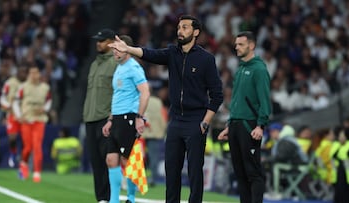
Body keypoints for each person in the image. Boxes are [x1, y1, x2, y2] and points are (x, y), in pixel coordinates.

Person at [109, 15, 223, 203]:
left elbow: (217, 95)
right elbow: (149, 53)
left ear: (196, 32)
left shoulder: (206, 59)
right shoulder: (172, 53)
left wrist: (205, 122)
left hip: (196, 121)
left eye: (185, 27)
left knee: (195, 171)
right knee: (172, 170)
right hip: (176, 120)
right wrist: (128, 48)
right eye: (179, 27)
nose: (180, 30)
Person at [218, 31, 271, 203]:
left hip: (250, 126)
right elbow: (237, 100)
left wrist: (260, 125)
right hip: (235, 125)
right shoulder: (241, 68)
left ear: (252, 45)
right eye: (236, 44)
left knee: (253, 173)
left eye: (241, 44)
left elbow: (265, 100)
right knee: (240, 173)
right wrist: (229, 124)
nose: (236, 47)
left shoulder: (259, 69)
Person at [102, 35, 150, 203]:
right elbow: (118, 95)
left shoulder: (134, 68)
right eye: (113, 48)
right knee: (111, 159)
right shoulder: (120, 67)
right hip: (117, 119)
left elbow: (145, 92)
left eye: (118, 48)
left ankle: (130, 197)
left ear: (126, 49)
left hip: (129, 117)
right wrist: (110, 119)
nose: (114, 52)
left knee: (127, 160)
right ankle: (114, 200)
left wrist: (139, 117)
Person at [82, 28, 117, 203]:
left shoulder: (115, 63)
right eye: (98, 40)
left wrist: (112, 117)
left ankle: (111, 197)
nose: (98, 43)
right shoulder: (94, 63)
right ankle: (102, 199)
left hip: (105, 118)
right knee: (96, 162)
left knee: (108, 160)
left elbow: (118, 92)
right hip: (90, 118)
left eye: (102, 40)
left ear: (111, 42)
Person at [13, 64, 52, 183]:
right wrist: (19, 115)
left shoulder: (45, 87)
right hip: (27, 119)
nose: (34, 75)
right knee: (28, 147)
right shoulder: (22, 87)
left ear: (39, 74)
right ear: (29, 74)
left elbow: (49, 100)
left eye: (36, 73)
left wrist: (45, 109)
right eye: (31, 73)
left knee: (37, 146)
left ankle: (36, 172)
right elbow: (15, 102)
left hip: (39, 119)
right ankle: (23, 163)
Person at [0, 64, 28, 168]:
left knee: (26, 138)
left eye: (25, 72)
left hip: (25, 115)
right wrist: (8, 106)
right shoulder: (10, 83)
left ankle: (23, 158)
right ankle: (13, 153)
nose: (23, 74)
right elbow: (2, 97)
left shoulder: (28, 84)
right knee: (12, 137)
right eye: (22, 72)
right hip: (12, 114)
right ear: (18, 72)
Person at [142, 87, 167, 186]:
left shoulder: (141, 100)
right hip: (156, 133)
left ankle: (139, 177)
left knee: (140, 157)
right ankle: (152, 178)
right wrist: (162, 130)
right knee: (154, 157)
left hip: (142, 133)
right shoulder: (158, 102)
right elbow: (163, 117)